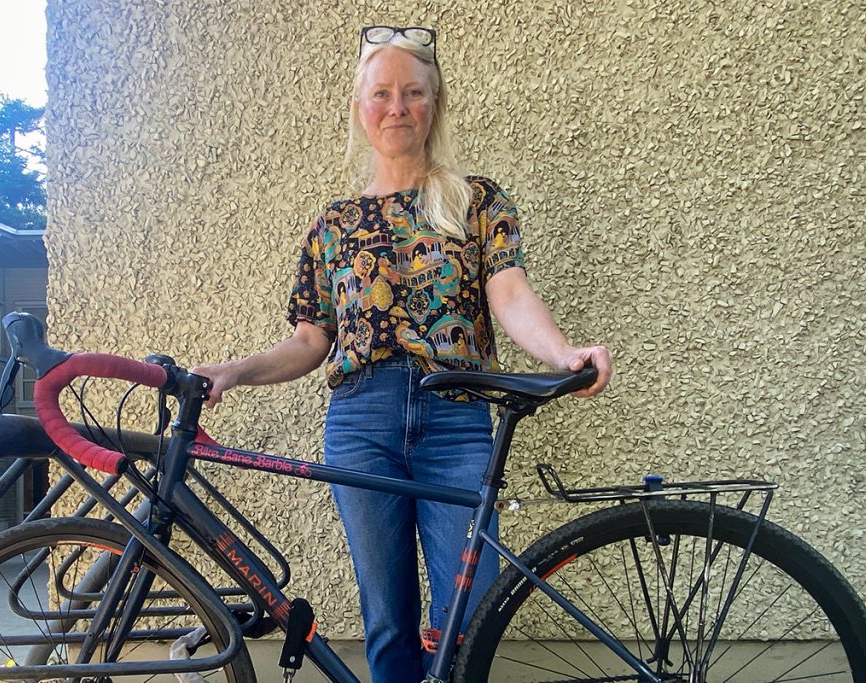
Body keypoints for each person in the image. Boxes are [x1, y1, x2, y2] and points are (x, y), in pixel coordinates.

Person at [191, 25, 612, 683]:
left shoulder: (477, 201)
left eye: (413, 93)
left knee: (468, 615)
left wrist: (562, 352)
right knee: (387, 617)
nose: (397, 108)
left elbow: (508, 291)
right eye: (382, 94)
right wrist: (233, 371)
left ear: (434, 104)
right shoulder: (333, 225)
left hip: (457, 416)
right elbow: (310, 339)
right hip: (362, 422)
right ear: (361, 109)